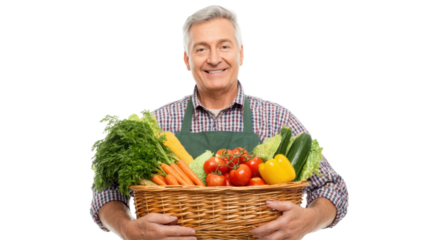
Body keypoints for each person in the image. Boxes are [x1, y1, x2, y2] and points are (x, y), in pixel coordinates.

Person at [89, 3, 349, 240]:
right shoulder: (158, 121)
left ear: (241, 54)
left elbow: (333, 186)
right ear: (187, 60)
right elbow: (106, 191)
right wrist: (128, 228)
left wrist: (310, 220)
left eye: (224, 46)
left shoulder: (277, 118)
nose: (214, 59)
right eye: (201, 49)